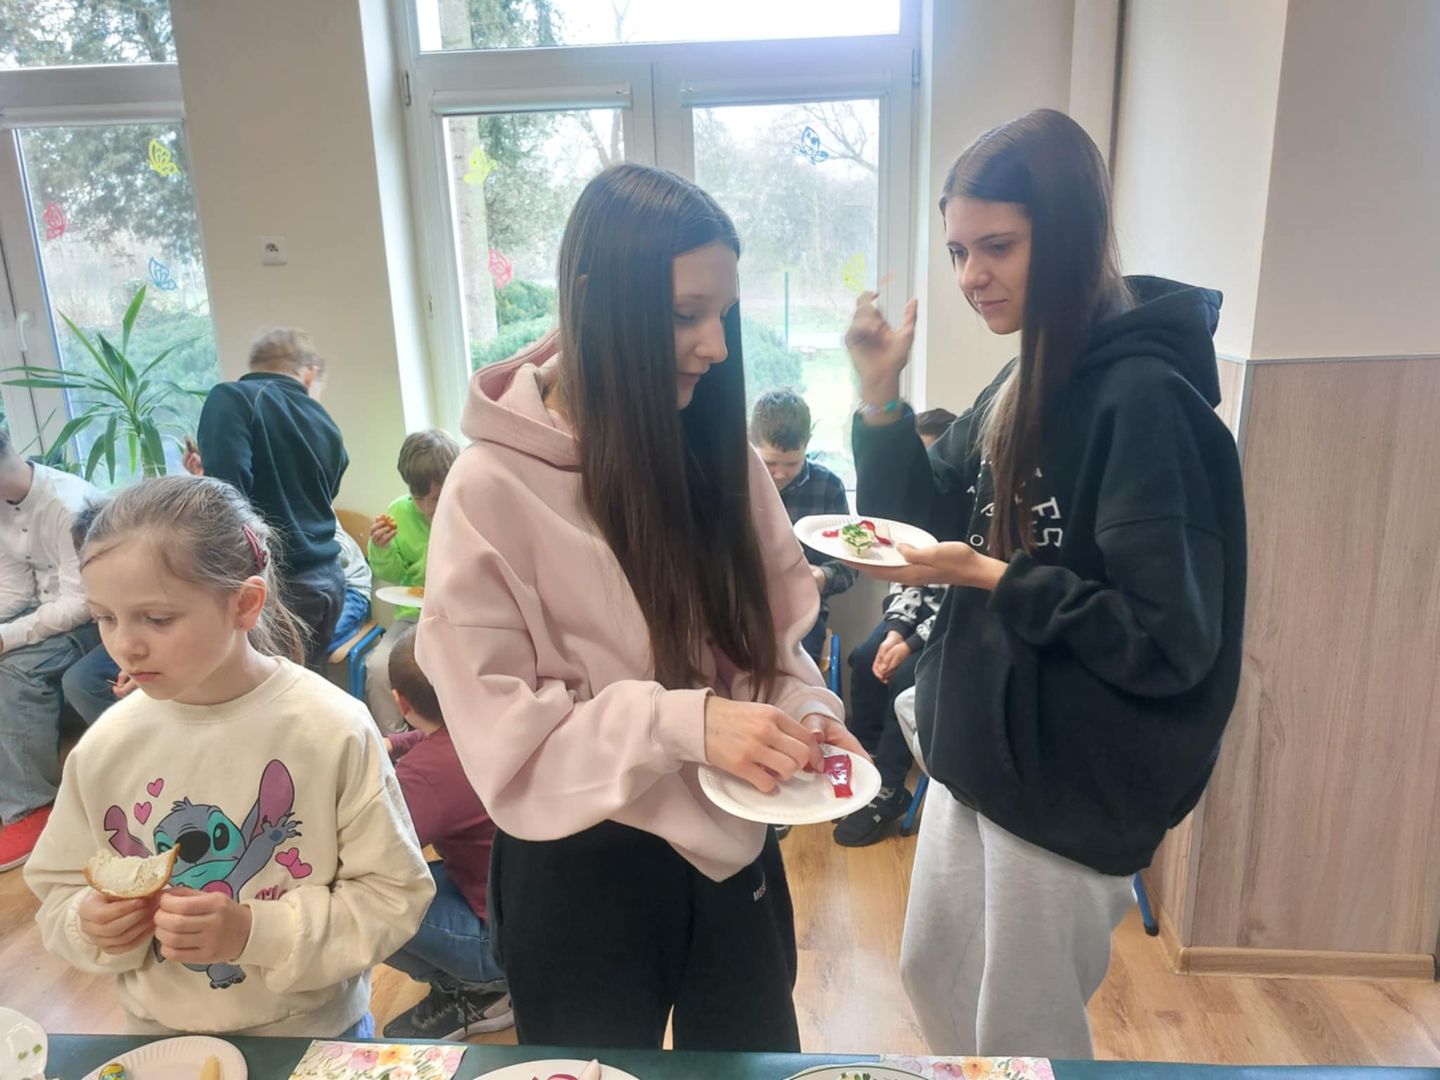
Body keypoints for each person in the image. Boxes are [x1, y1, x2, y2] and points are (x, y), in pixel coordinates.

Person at [417, 163, 862, 1052]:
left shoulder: (717, 453)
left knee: (749, 1064)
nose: (717, 347)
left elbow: (767, 647)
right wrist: (683, 723)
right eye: (686, 314)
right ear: (593, 299)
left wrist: (805, 711)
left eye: (723, 314)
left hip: (735, 841)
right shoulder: (490, 487)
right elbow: (509, 739)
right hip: (578, 861)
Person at [847, 109, 1247, 1057]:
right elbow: (924, 520)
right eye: (958, 251)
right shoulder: (1021, 376)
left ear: (1068, 236)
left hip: (1073, 780)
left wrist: (997, 577)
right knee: (933, 976)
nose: (970, 275)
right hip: (978, 752)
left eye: (998, 246)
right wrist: (880, 398)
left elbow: (1168, 641)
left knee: (1019, 1031)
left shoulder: (1145, 402)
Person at [25, 475, 433, 1037]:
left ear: (244, 604)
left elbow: (393, 896)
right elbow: (57, 892)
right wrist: (87, 923)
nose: (124, 646)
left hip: (311, 1037)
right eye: (106, 617)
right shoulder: (104, 748)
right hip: (161, 1037)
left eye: (157, 618)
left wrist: (252, 932)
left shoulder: (332, 729)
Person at [379, 626, 512, 1040]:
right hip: (546, 917)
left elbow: (372, 852)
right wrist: (395, 744)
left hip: (504, 942)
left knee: (366, 899)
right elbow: (442, 733)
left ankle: (482, 993)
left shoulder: (425, 775)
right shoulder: (505, 716)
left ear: (400, 701)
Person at [834, 407, 956, 848]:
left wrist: (910, 643)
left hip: (948, 623)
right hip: (909, 616)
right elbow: (906, 585)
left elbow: (956, 601)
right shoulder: (913, 522)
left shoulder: (960, 517)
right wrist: (894, 632)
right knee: (866, 657)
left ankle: (888, 788)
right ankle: (866, 760)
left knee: (905, 677)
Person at [196, 328, 349, 665]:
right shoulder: (325, 422)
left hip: (280, 585)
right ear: (308, 375)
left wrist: (201, 480)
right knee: (304, 686)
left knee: (267, 691)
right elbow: (327, 492)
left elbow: (226, 495)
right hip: (328, 581)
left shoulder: (231, 398)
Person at [0, 427, 101, 872]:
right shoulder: (4, 505)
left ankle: (31, 809)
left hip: (94, 617)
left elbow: (82, 602)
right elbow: (14, 589)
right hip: (46, 611)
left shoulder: (65, 502)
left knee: (16, 670)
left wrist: (8, 637)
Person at [365, 429, 460, 733]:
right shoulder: (399, 512)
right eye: (419, 498)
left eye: (435, 498)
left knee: (454, 667)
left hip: (460, 616)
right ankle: (396, 743)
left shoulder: (467, 507)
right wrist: (380, 548)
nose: (427, 508)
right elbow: (392, 575)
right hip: (413, 618)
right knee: (378, 667)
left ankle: (453, 738)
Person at [750, 390, 857, 660]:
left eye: (792, 463)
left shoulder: (828, 486)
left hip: (801, 610)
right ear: (750, 442)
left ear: (807, 443)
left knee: (793, 665)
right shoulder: (732, 482)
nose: (780, 473)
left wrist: (822, 576)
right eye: (769, 462)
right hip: (744, 605)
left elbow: (850, 564)